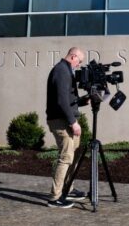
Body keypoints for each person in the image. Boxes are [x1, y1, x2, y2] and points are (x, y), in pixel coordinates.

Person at [45, 46, 86, 208]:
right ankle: (55, 198)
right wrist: (73, 122)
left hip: (65, 119)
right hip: (61, 121)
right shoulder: (61, 70)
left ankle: (68, 189)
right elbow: (61, 101)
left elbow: (67, 99)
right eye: (80, 61)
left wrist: (83, 100)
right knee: (66, 158)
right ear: (73, 56)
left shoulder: (65, 70)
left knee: (73, 156)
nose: (79, 65)